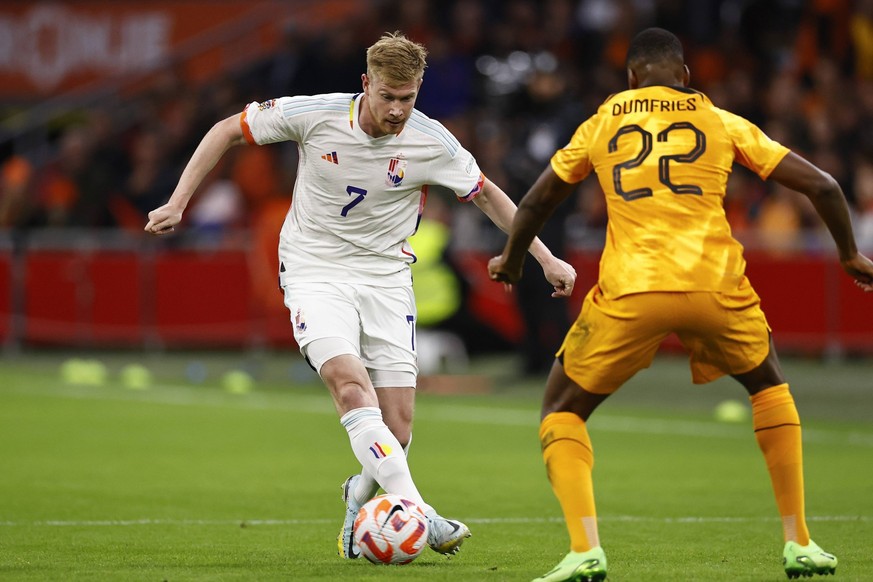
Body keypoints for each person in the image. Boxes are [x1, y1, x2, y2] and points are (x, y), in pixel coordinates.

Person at [145, 31, 577, 560]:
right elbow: (225, 130)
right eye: (388, 96)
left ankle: (360, 492)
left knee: (396, 426)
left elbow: (486, 194)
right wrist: (177, 201)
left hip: (386, 278)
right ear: (366, 84)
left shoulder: (430, 140)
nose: (398, 110)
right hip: (314, 269)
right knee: (350, 387)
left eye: (409, 98)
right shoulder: (316, 114)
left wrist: (546, 258)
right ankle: (422, 514)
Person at [488, 27, 873, 582]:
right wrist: (850, 254)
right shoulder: (718, 119)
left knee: (561, 409)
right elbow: (826, 186)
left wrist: (513, 257)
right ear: (685, 76)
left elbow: (541, 196)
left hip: (633, 290)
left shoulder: (606, 118)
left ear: (630, 77)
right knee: (769, 386)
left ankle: (584, 550)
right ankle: (800, 541)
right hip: (717, 287)